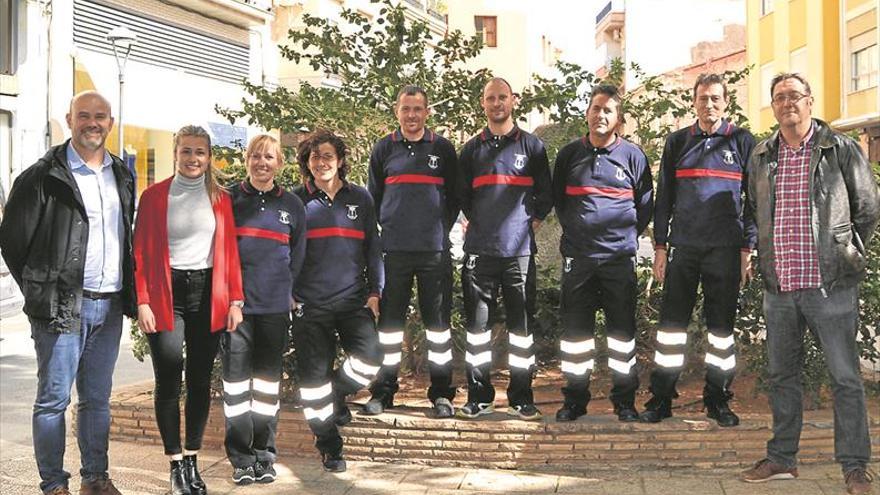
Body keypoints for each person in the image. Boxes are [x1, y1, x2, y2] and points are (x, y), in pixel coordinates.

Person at [740, 73, 879, 495]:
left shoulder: (841, 149)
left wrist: (846, 250)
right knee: (782, 376)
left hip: (830, 286)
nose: (788, 104)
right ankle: (783, 458)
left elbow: (868, 208)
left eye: (795, 96)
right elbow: (751, 209)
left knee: (845, 378)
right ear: (773, 105)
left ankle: (854, 466)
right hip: (779, 287)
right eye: (780, 97)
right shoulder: (763, 155)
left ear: (810, 101)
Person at [0, 91, 135, 495]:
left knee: (97, 400)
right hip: (61, 308)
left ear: (110, 122)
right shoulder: (42, 176)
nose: (92, 123)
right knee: (53, 400)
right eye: (84, 116)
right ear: (70, 119)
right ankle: (54, 484)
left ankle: (95, 478)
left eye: (100, 117)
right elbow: (13, 243)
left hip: (109, 304)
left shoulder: (121, 175)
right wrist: (41, 291)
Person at [133, 125, 244, 495]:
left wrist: (235, 300)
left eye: (200, 152)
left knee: (199, 382)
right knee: (168, 378)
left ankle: (193, 460)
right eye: (186, 151)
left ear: (209, 157)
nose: (193, 159)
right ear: (175, 153)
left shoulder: (221, 198)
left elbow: (229, 254)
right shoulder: (153, 197)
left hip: (207, 292)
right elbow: (141, 254)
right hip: (167, 293)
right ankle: (174, 464)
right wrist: (143, 301)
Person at [640, 73, 756, 427]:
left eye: (716, 98)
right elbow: (664, 201)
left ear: (726, 102)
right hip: (684, 249)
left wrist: (747, 248)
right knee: (671, 329)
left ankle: (718, 400)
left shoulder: (741, 141)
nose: (709, 104)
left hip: (724, 249)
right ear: (694, 102)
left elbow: (754, 200)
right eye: (703, 98)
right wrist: (660, 246)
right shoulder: (677, 142)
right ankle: (661, 399)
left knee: (721, 331)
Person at [552, 84, 653, 423]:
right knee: (575, 335)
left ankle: (624, 402)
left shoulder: (633, 156)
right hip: (578, 259)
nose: (601, 115)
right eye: (596, 108)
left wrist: (621, 237)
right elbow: (560, 202)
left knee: (622, 335)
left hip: (617, 260)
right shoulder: (569, 155)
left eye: (608, 110)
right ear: (587, 113)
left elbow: (644, 206)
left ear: (618, 118)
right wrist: (580, 233)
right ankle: (574, 401)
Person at [456, 77, 553, 420]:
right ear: (483, 103)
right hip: (480, 253)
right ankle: (479, 397)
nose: (496, 103)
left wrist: (528, 226)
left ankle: (521, 397)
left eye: (502, 97)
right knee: (478, 332)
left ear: (513, 100)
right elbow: (463, 198)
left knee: (521, 331)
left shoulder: (532, 147)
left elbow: (546, 195)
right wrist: (481, 223)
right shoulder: (471, 150)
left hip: (519, 255)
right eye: (490, 98)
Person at [291, 130, 384, 472]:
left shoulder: (360, 199)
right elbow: (281, 252)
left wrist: (375, 292)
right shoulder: (296, 201)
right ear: (307, 163)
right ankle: (329, 445)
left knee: (372, 359)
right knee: (313, 385)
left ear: (340, 160)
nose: (322, 163)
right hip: (309, 306)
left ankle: (336, 391)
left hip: (352, 301)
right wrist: (287, 293)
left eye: (328, 156)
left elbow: (373, 249)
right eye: (315, 158)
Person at [364, 85, 459, 418]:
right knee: (389, 329)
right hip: (394, 252)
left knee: (438, 328)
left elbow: (455, 198)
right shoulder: (383, 150)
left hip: (434, 251)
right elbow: (372, 201)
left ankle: (442, 394)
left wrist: (436, 229)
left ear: (427, 112)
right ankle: (383, 392)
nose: (412, 115)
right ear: (397, 111)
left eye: (418, 109)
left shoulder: (443, 149)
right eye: (406, 109)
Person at [224, 135, 306, 484]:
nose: (262, 162)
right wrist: (229, 298)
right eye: (256, 156)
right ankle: (241, 458)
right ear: (247, 159)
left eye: (269, 157)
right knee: (236, 387)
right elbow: (220, 252)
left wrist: (290, 291)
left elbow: (298, 254)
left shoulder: (292, 205)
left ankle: (264, 456)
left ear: (279, 163)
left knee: (267, 386)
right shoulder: (228, 199)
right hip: (237, 310)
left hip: (274, 308)